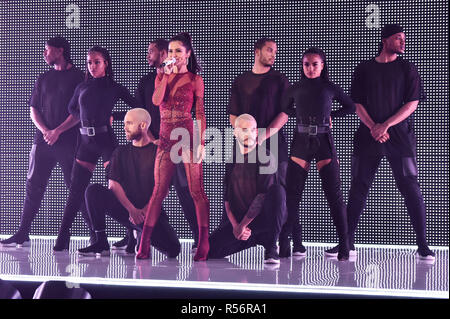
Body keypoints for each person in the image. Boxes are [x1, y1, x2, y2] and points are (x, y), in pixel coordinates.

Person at [326, 24, 435, 260]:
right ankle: (346, 243)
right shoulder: (364, 69)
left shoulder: (408, 68)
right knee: (358, 187)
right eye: (398, 38)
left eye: (403, 39)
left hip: (400, 138)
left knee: (410, 187)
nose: (403, 43)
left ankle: (423, 245)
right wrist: (373, 127)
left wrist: (384, 126)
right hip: (368, 136)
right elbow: (357, 104)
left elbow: (412, 103)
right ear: (385, 40)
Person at [0, 37, 93, 247]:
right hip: (43, 142)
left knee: (75, 188)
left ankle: (96, 235)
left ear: (60, 51)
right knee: (33, 187)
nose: (44, 54)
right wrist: (46, 131)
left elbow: (81, 112)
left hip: (69, 142)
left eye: (47, 50)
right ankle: (23, 233)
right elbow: (33, 108)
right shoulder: (43, 78)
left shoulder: (80, 77)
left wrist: (58, 131)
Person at [52, 46, 140, 251]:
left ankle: (133, 234)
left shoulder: (114, 87)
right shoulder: (82, 87)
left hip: (106, 141)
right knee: (75, 191)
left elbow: (137, 107)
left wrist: (114, 116)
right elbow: (71, 108)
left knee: (117, 188)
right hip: (85, 143)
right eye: (89, 62)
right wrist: (83, 118)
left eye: (97, 62)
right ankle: (65, 236)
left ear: (106, 63)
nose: (92, 66)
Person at [136, 33, 210, 261]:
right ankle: (144, 243)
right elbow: (157, 101)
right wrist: (166, 76)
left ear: (188, 54)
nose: (174, 55)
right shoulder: (161, 76)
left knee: (196, 190)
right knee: (158, 191)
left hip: (187, 136)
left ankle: (203, 242)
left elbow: (199, 114)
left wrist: (202, 142)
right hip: (166, 138)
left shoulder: (195, 80)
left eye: (178, 51)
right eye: (170, 51)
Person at [280, 47, 355, 261]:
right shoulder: (294, 89)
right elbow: (284, 109)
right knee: (292, 195)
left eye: (315, 64)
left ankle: (344, 244)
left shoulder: (330, 88)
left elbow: (351, 107)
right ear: (302, 66)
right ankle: (285, 242)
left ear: (322, 65)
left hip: (323, 141)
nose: (310, 68)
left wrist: (330, 115)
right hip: (301, 142)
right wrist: (302, 115)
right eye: (306, 64)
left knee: (334, 195)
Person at [77, 108, 181, 258]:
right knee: (93, 191)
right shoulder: (120, 152)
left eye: (130, 123)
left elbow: (163, 189)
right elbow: (113, 185)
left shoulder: (159, 153)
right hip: (126, 210)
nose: (125, 127)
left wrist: (144, 211)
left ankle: (139, 232)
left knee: (173, 250)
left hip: (149, 212)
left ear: (143, 126)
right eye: (125, 123)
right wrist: (132, 210)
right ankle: (101, 242)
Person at [208, 114, 287, 264]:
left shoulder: (266, 157)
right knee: (210, 249)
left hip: (264, 219)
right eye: (244, 130)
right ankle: (254, 238)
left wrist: (242, 225)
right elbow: (227, 199)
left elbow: (262, 197)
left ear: (256, 132)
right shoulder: (232, 160)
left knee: (277, 192)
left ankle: (270, 247)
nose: (248, 134)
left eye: (252, 130)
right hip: (243, 220)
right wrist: (236, 227)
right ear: (235, 132)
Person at [228, 37, 290, 185]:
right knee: (242, 190)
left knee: (275, 192)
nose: (273, 55)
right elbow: (233, 115)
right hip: (245, 144)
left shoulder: (279, 80)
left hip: (273, 142)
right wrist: (246, 136)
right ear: (257, 51)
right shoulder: (240, 80)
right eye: (269, 50)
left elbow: (285, 113)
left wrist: (261, 137)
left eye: (275, 52)